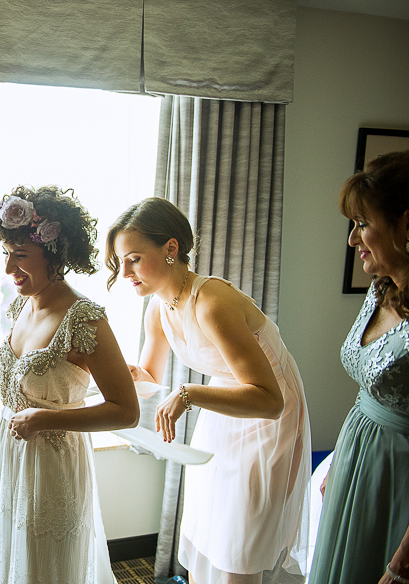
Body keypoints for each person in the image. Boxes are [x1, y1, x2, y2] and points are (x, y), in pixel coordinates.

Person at [105, 197, 311, 584]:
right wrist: (114, 373)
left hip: (267, 414)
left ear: (171, 248)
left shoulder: (212, 302)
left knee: (239, 537)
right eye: (120, 263)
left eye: (133, 258)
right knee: (208, 527)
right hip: (223, 412)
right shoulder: (158, 308)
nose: (126, 272)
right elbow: (148, 377)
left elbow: (269, 399)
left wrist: (188, 395)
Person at [0, 185, 140, 584]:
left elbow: (127, 411)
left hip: (53, 466)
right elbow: (24, 369)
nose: (10, 267)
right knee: (14, 558)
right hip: (13, 458)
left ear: (55, 254)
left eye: (21, 255)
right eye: (6, 254)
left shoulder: (84, 319)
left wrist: (44, 421)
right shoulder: (22, 303)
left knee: (46, 567)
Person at [309, 151, 409, 584]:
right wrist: (340, 461)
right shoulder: (379, 290)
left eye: (363, 224)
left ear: (407, 225)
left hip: (399, 482)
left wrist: (402, 562)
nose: (352, 239)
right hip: (356, 460)